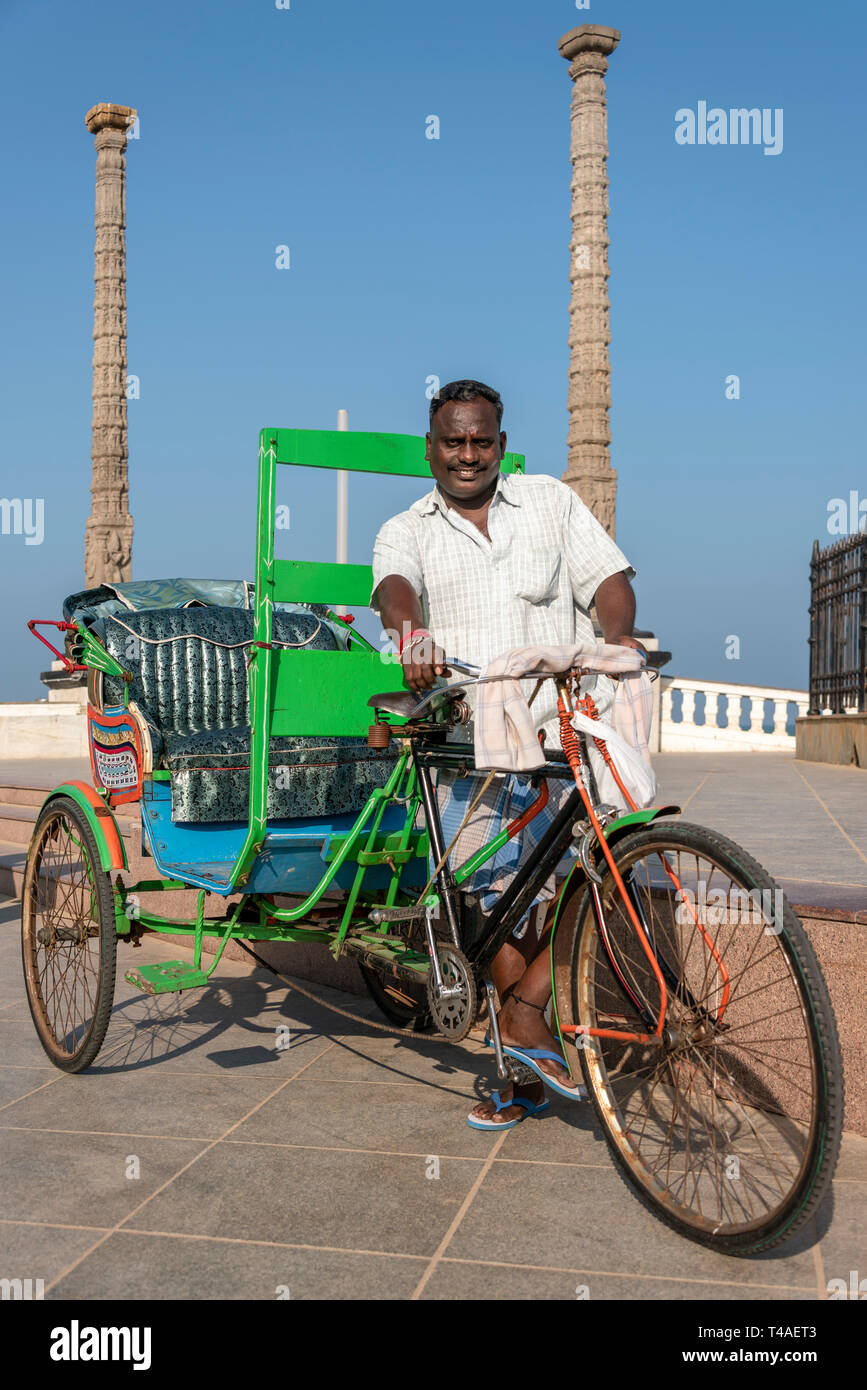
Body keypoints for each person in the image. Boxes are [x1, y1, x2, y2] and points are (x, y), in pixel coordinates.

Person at [371, 380, 645, 1127]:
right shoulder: (407, 528)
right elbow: (396, 591)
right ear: (431, 448)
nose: (467, 455)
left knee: (578, 881)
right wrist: (412, 637)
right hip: (472, 731)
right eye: (453, 442)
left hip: (562, 723)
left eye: (480, 440)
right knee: (489, 895)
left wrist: (615, 641)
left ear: (500, 442)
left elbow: (609, 582)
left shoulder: (550, 502)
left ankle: (524, 1018)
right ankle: (519, 1053)